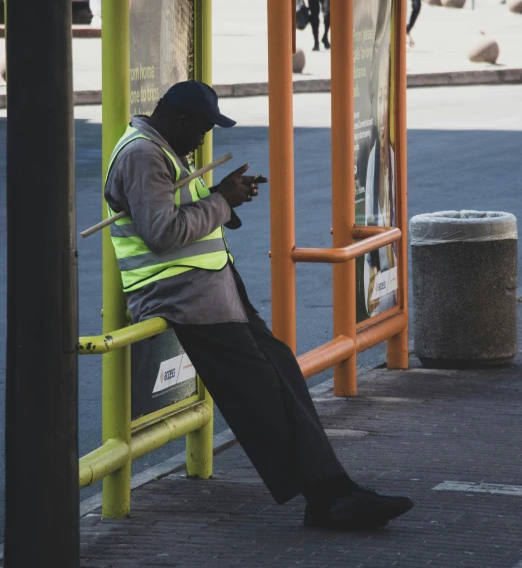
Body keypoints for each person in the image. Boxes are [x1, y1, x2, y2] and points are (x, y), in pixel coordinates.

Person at [104, 80, 413, 530]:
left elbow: (178, 210)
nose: (203, 140)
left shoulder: (160, 148)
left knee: (280, 368)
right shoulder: (142, 154)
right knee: (261, 392)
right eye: (203, 129)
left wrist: (222, 197)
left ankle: (333, 491)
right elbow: (162, 232)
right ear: (182, 121)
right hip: (181, 295)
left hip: (210, 289)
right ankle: (329, 497)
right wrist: (221, 201)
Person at [364, 49, 398, 317]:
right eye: (380, 100)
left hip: (388, 248)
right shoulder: (373, 151)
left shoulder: (391, 151)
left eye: (387, 99)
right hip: (376, 252)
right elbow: (371, 212)